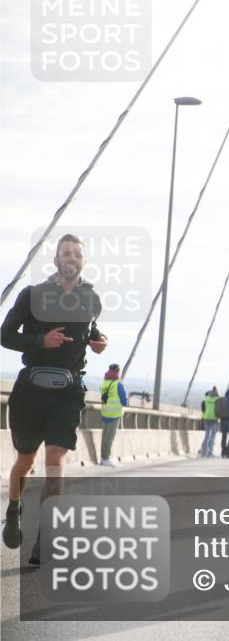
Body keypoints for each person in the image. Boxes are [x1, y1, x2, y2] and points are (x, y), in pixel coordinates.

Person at [1, 233, 108, 562]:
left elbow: (91, 330)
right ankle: (14, 508)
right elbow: (5, 335)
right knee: (26, 461)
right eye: (66, 253)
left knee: (55, 462)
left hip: (68, 391)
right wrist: (39, 340)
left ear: (82, 262)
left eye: (77, 254)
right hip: (31, 390)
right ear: (55, 260)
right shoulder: (32, 295)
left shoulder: (91, 300)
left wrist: (98, 340)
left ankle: (45, 537)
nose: (71, 258)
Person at [98, 363, 127, 466]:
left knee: (104, 436)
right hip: (115, 414)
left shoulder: (103, 384)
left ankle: (102, 458)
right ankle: (106, 459)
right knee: (110, 437)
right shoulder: (118, 385)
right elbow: (124, 401)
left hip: (105, 412)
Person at [199, 386, 220, 457]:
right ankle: (210, 452)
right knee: (213, 436)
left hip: (206, 418)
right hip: (214, 418)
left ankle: (203, 452)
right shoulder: (217, 399)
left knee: (207, 436)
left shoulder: (206, 399)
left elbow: (204, 408)